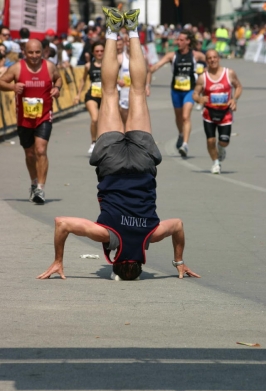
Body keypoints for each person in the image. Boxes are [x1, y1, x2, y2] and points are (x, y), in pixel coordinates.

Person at [37, 7, 200, 281]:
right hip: (111, 164)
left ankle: (132, 29)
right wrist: (57, 260)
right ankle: (114, 29)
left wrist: (179, 261)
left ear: (140, 260)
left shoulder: (151, 234)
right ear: (115, 259)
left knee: (135, 91)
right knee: (110, 92)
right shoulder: (108, 235)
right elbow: (61, 223)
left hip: (143, 163)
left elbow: (178, 226)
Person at [0, 39, 62, 203]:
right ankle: (34, 183)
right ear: (24, 53)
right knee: (29, 154)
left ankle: (40, 189)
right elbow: (1, 82)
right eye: (31, 52)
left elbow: (58, 79)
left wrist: (57, 88)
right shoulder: (17, 67)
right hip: (24, 118)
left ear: (42, 52)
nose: (34, 56)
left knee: (41, 150)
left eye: (37, 52)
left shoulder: (49, 66)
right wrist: (13, 87)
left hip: (44, 115)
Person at [150, 30, 205, 157]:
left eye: (181, 40)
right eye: (177, 40)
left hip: (190, 90)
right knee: (179, 117)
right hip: (176, 91)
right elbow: (156, 66)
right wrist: (147, 72)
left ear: (188, 41)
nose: (178, 42)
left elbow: (210, 62)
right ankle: (181, 133)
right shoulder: (172, 55)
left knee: (186, 116)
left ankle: (185, 144)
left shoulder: (196, 55)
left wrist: (207, 72)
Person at [192, 49, 242, 174]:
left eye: (214, 57)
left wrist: (234, 99)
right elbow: (195, 94)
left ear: (218, 58)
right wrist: (199, 99)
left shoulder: (229, 73)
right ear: (206, 60)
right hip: (209, 113)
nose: (212, 60)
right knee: (210, 140)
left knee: (224, 142)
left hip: (225, 113)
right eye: (209, 58)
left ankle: (221, 148)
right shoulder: (203, 77)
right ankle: (216, 163)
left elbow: (238, 86)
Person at [74, 41, 105, 156]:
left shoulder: (109, 65)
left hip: (105, 97)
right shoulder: (88, 66)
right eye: (97, 51)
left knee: (104, 122)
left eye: (102, 51)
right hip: (92, 95)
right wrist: (78, 94)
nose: (99, 53)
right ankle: (93, 142)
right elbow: (83, 80)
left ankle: (103, 143)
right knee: (95, 119)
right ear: (93, 53)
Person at [117, 33, 151, 125]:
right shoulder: (120, 57)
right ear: (125, 43)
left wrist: (147, 86)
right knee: (124, 116)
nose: (129, 43)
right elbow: (111, 73)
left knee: (138, 116)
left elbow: (148, 71)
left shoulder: (142, 58)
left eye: (131, 41)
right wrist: (118, 80)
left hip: (138, 90)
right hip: (124, 91)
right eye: (128, 41)